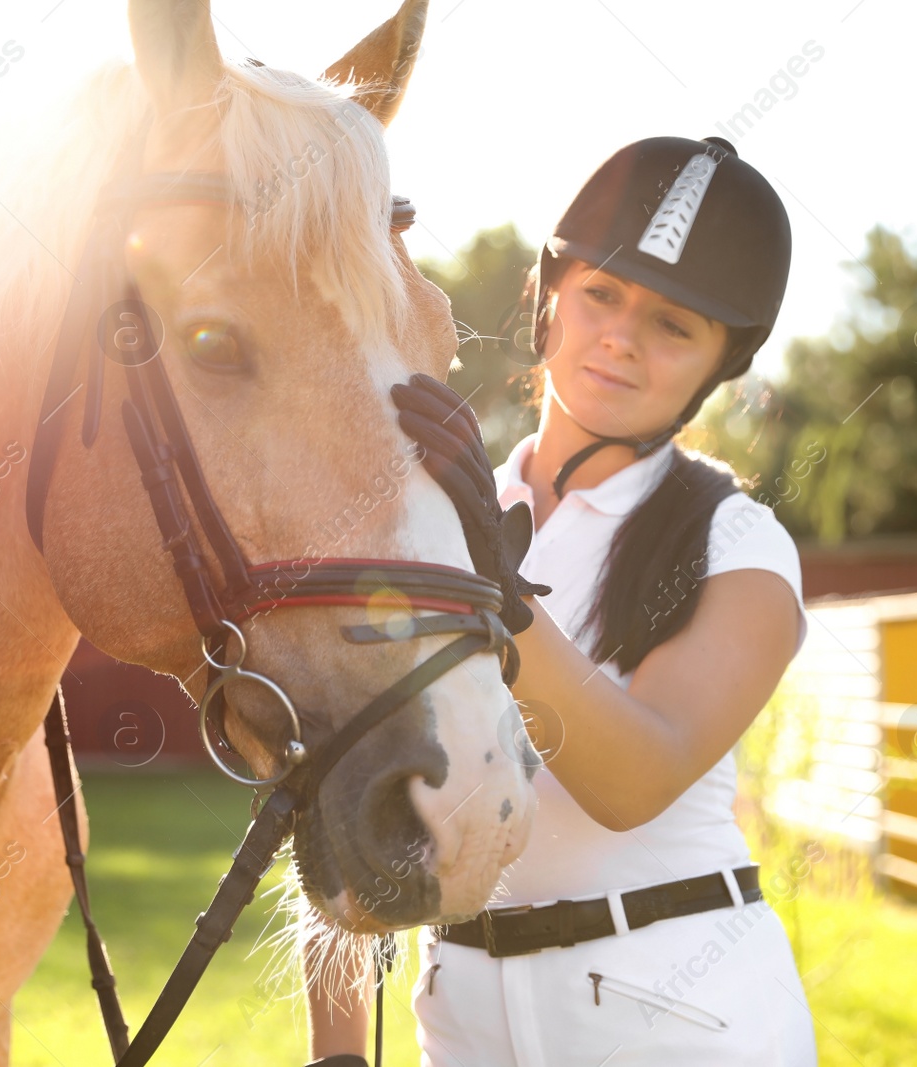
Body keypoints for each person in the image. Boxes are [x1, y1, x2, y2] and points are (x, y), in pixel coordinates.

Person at [304, 135, 818, 1066]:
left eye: (675, 324)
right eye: (603, 293)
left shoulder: (741, 545)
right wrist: (339, 1053)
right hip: (460, 1020)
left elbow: (635, 781)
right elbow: (338, 771)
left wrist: (490, 580)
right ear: (550, 294)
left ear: (719, 363)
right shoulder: (437, 512)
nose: (621, 336)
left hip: (678, 1017)